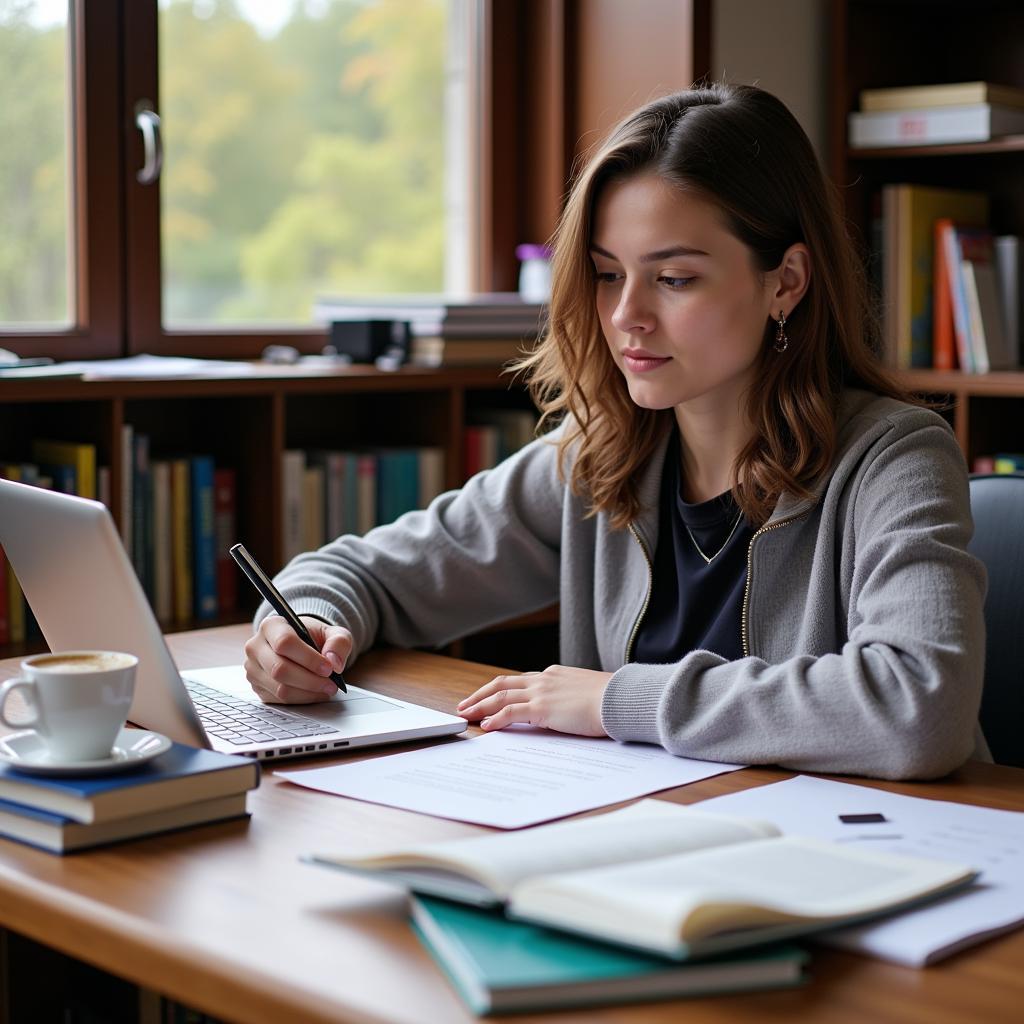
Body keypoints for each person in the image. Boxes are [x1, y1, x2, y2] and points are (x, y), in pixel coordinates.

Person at [244, 82, 988, 780]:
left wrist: (613, 702)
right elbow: (367, 573)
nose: (626, 314)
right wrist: (305, 624)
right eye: (607, 274)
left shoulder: (894, 458)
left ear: (785, 282)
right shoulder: (600, 455)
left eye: (674, 278)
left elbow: (919, 707)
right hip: (655, 849)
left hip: (862, 866)